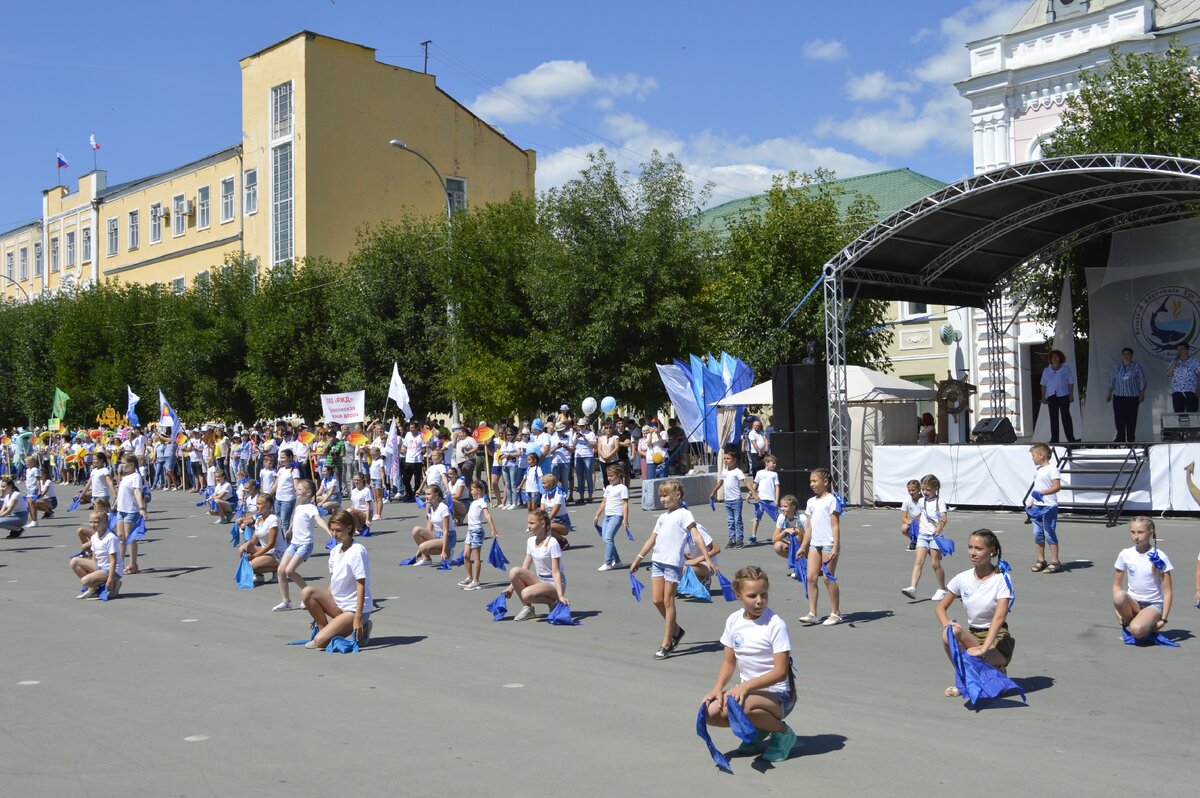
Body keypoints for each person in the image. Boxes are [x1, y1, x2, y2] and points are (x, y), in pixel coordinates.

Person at [703, 565, 797, 763]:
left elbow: (780, 672)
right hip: (750, 693)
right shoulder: (733, 621)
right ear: (738, 595)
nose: (759, 601)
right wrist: (717, 689)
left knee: (741, 705)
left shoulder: (775, 624)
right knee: (710, 713)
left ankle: (783, 733)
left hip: (780, 695)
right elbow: (729, 663)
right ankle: (760, 727)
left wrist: (745, 687)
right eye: (752, 596)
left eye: (763, 595)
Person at [630, 479, 718, 660]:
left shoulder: (684, 514)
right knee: (656, 600)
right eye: (660, 496)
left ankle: (667, 642)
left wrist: (707, 558)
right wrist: (639, 558)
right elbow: (652, 539)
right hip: (658, 561)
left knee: (668, 601)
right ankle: (676, 630)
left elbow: (698, 537)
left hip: (672, 564)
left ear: (677, 495)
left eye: (666, 495)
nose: (662, 499)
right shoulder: (662, 518)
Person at [935, 529, 1015, 697]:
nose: (973, 553)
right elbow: (940, 608)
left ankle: (996, 670)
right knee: (949, 632)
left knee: (973, 656)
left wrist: (984, 648)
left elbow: (1000, 617)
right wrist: (946, 624)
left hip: (997, 639)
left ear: (992, 550)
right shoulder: (962, 578)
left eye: (978, 549)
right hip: (973, 635)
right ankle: (965, 678)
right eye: (970, 547)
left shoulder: (1001, 579)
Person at [301, 509, 373, 649]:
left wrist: (358, 616)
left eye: (338, 530)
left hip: (353, 610)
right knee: (307, 592)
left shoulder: (357, 551)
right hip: (339, 605)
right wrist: (318, 612)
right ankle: (325, 631)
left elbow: (361, 585)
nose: (334, 534)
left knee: (320, 643)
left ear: (349, 528)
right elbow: (334, 582)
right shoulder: (335, 550)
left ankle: (363, 624)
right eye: (332, 530)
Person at [1112, 516, 1173, 641]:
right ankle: (1137, 622)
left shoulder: (1159, 556)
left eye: (1140, 532)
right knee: (1119, 596)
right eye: (1132, 532)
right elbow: (1116, 585)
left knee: (1136, 630)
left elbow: (1168, 591)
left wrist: (1164, 619)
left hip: (1153, 604)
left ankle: (1142, 625)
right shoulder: (1125, 554)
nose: (1136, 536)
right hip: (1133, 603)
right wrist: (1118, 610)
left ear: (1151, 533)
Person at [273, 479, 328, 612]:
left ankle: (308, 596)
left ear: (308, 493)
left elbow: (318, 520)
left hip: (305, 544)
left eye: (300, 489)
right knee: (280, 571)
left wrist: (329, 532)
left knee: (289, 571)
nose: (297, 490)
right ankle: (286, 602)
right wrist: (290, 530)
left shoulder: (311, 507)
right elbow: (295, 520)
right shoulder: (298, 507)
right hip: (294, 543)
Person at [505, 508, 568, 621]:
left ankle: (554, 601)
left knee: (526, 594)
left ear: (543, 524)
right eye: (528, 523)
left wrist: (560, 595)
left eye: (532, 523)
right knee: (514, 571)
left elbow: (556, 572)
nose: (528, 526)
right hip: (540, 580)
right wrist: (511, 588)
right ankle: (527, 609)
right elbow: (525, 567)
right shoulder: (530, 541)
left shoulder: (552, 543)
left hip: (554, 583)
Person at [797, 468, 841, 626]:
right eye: (810, 481)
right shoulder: (810, 502)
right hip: (815, 544)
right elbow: (809, 527)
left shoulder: (831, 500)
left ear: (825, 482)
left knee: (828, 579)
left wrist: (835, 547)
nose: (812, 484)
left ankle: (836, 612)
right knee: (811, 577)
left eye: (815, 481)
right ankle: (812, 613)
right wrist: (803, 546)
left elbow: (835, 526)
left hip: (829, 544)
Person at [901, 474, 949, 602]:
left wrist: (939, 528)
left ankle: (942, 589)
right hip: (923, 534)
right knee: (918, 562)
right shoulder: (922, 501)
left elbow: (944, 518)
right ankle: (913, 588)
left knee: (935, 563)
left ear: (935, 488)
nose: (925, 492)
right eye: (923, 489)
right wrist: (915, 526)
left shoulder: (939, 501)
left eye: (928, 490)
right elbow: (921, 515)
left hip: (935, 535)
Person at [709, 448, 758, 549]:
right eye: (725, 459)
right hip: (728, 500)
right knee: (730, 521)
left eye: (728, 459)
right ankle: (732, 540)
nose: (726, 460)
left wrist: (754, 494)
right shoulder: (724, 472)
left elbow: (747, 483)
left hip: (736, 500)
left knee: (737, 520)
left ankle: (739, 540)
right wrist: (713, 492)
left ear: (734, 460)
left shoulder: (737, 472)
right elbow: (720, 482)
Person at [70, 509, 123, 599]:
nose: (92, 525)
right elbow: (94, 558)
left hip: (113, 570)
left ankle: (113, 584)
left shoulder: (110, 538)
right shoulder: (94, 537)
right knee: (74, 561)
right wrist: (92, 571)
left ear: (105, 523)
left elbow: (114, 560)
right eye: (90, 522)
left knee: (85, 581)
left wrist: (110, 579)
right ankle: (93, 588)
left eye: (96, 522)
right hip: (100, 566)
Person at [1026, 442, 1063, 574]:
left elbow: (1056, 487)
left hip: (1049, 506)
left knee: (1049, 533)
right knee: (1037, 534)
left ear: (1041, 455)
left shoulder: (1052, 469)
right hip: (1037, 506)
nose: (1032, 458)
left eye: (1033, 455)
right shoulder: (1039, 470)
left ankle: (1055, 562)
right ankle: (1041, 560)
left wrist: (1042, 494)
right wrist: (1032, 500)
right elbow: (1037, 488)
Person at [237, 493, 284, 585]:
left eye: (259, 504)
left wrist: (254, 556)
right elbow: (253, 541)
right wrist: (246, 548)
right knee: (242, 549)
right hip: (266, 550)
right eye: (256, 504)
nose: (257, 506)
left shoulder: (273, 519)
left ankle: (279, 570)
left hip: (277, 553)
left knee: (249, 565)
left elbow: (271, 544)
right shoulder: (258, 519)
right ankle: (259, 576)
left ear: (268, 504)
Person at [459, 480, 498, 591]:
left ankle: (476, 580)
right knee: (466, 555)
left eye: (472, 489)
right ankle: (469, 577)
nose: (471, 492)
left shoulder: (482, 502)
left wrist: (493, 529)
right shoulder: (474, 502)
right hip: (470, 531)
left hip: (477, 531)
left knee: (476, 557)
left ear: (479, 490)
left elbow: (488, 516)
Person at [115, 455, 148, 574]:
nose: (122, 465)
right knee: (120, 536)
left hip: (131, 510)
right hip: (121, 509)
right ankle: (119, 563)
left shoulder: (136, 476)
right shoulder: (125, 477)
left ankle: (133, 564)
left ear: (132, 464)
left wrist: (142, 508)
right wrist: (114, 505)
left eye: (124, 463)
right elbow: (121, 493)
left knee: (129, 538)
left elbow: (137, 492)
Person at [592, 464, 629, 571]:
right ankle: (617, 561)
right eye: (608, 476)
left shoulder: (622, 488)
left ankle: (608, 562)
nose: (609, 478)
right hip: (608, 515)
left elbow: (625, 504)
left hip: (617, 515)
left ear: (619, 475)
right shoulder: (608, 488)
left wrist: (625, 519)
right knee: (605, 538)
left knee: (608, 538)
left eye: (612, 476)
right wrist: (597, 515)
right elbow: (604, 502)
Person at [1106, 347, 1146, 442]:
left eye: (1128, 354)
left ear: (1131, 356)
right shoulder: (1117, 366)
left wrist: (1142, 394)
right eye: (1124, 354)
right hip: (1118, 397)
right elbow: (1112, 380)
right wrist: (1109, 394)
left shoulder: (1136, 366)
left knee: (1131, 419)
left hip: (1132, 397)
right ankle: (1120, 438)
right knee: (1119, 418)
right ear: (1122, 356)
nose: (1126, 356)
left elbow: (1142, 381)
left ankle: (1131, 439)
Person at [408, 484, 455, 566]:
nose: (426, 496)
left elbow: (446, 531)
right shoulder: (431, 509)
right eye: (426, 494)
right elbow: (429, 530)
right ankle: (427, 559)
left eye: (429, 494)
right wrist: (420, 551)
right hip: (437, 535)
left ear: (436, 495)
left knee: (422, 547)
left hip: (448, 537)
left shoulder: (443, 508)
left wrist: (443, 550)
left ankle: (448, 551)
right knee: (416, 530)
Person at [1039, 349, 1079, 443]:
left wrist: (1071, 394)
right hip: (1051, 396)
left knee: (1066, 417)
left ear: (1060, 358)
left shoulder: (1065, 369)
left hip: (1063, 395)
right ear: (1050, 359)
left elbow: (1070, 382)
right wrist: (1043, 397)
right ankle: (1054, 439)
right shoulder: (1046, 371)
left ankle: (1070, 438)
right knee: (1053, 418)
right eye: (1053, 357)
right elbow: (1043, 384)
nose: (1055, 358)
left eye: (1056, 357)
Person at [750, 455, 781, 545]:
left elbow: (777, 487)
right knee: (756, 518)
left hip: (771, 500)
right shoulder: (759, 473)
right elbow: (755, 484)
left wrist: (776, 500)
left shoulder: (774, 474)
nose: (774, 465)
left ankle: (781, 535)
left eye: (775, 463)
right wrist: (750, 494)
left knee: (778, 518)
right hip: (760, 500)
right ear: (767, 463)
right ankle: (753, 536)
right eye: (773, 463)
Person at [770, 495, 805, 574]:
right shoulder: (781, 517)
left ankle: (804, 562)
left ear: (793, 507)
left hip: (805, 545)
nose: (782, 508)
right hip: (792, 544)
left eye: (785, 506)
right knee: (777, 546)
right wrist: (785, 531)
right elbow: (774, 540)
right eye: (781, 506)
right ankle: (797, 564)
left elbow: (807, 538)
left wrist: (801, 549)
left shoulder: (802, 518)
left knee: (798, 534)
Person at [539, 473, 572, 549]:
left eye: (544, 483)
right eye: (542, 483)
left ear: (551, 483)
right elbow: (542, 510)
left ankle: (563, 541)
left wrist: (544, 522)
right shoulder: (544, 495)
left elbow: (554, 513)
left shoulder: (559, 495)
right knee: (541, 526)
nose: (543, 485)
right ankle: (553, 543)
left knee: (545, 527)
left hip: (562, 522)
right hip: (551, 520)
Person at [1167, 342, 1200, 413]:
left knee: (1192, 414)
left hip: (1191, 391)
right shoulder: (1174, 362)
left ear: (1187, 350)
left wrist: (1198, 390)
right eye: (1178, 349)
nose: (1179, 351)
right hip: (1177, 391)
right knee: (1178, 414)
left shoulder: (1195, 362)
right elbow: (1169, 374)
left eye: (1181, 349)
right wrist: (1174, 362)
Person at [274, 449, 300, 534]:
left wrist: (304, 496)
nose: (281, 460)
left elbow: (296, 486)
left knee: (284, 523)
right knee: (278, 521)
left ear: (290, 457)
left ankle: (287, 543)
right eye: (280, 457)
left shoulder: (294, 471)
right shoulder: (281, 470)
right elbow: (275, 485)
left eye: (283, 457)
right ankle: (281, 540)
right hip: (278, 499)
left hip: (288, 499)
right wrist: (265, 495)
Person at [571, 418, 596, 504]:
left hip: (588, 456)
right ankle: (581, 496)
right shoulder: (575, 434)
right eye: (580, 426)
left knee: (588, 476)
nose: (581, 427)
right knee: (579, 477)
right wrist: (576, 438)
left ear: (586, 426)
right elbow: (571, 445)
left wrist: (585, 438)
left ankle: (590, 495)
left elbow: (594, 445)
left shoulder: (591, 434)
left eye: (582, 426)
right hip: (578, 456)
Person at [899, 479, 921, 552]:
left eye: (913, 490)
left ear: (919, 489)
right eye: (909, 490)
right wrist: (912, 523)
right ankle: (914, 540)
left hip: (923, 522)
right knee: (904, 528)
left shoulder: (924, 500)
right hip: (914, 522)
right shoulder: (906, 501)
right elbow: (904, 518)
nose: (911, 492)